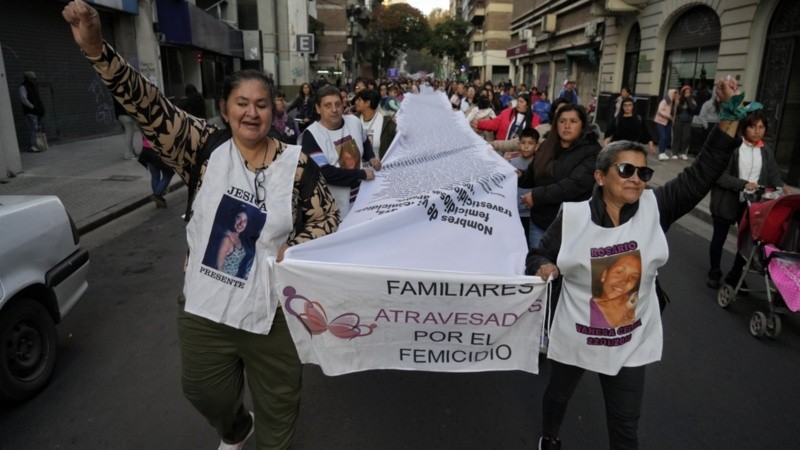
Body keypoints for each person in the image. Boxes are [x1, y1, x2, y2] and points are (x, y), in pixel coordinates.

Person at [62, 2, 339, 449]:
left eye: (262, 105)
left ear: (274, 111)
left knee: (279, 407)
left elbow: (328, 218)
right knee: (203, 392)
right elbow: (147, 103)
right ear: (225, 109)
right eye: (242, 103)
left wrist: (301, 244)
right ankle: (234, 428)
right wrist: (97, 49)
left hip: (271, 315)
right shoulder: (201, 148)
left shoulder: (298, 165)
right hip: (206, 307)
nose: (252, 113)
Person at [527, 77, 744, 450]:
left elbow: (702, 173)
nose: (637, 179)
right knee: (557, 398)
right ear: (601, 176)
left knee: (626, 426)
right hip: (576, 333)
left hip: (628, 340)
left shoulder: (655, 208)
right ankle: (550, 436)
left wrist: (728, 117)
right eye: (626, 170)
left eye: (643, 173)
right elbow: (539, 253)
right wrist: (543, 266)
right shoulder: (574, 216)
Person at [706, 110, 789, 289]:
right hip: (727, 200)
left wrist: (781, 187)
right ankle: (714, 271)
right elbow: (720, 175)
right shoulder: (733, 147)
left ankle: (735, 275)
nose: (757, 131)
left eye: (761, 127)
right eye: (752, 126)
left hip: (753, 203)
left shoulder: (765, 150)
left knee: (749, 241)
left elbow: (773, 175)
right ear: (744, 128)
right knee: (719, 238)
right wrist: (743, 184)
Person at [518, 103, 600, 248]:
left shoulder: (593, 152)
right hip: (539, 223)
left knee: (563, 270)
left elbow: (574, 185)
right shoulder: (546, 146)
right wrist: (519, 175)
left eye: (573, 121)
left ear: (582, 125)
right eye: (562, 121)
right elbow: (533, 176)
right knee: (537, 267)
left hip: (570, 229)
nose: (567, 126)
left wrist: (536, 196)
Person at [300, 84, 381, 217]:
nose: (334, 110)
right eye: (328, 105)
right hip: (334, 209)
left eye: (338, 104)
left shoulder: (354, 122)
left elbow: (365, 142)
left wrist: (371, 157)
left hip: (362, 199)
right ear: (318, 109)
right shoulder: (311, 135)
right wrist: (361, 174)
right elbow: (324, 173)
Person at [474, 93, 539, 156]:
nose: (518, 103)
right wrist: (479, 123)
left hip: (518, 153)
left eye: (521, 102)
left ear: (527, 105)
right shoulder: (507, 112)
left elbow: (534, 137)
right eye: (518, 101)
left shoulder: (534, 119)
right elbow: (494, 123)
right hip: (501, 148)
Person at [506, 128, 539, 247]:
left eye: (530, 143)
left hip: (530, 215)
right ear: (519, 144)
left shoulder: (539, 164)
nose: (526, 146)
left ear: (536, 146)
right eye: (523, 143)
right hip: (514, 212)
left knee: (527, 243)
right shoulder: (511, 162)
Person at [590, 254, 641, 327]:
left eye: (633, 277)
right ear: (604, 275)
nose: (624, 281)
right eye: (619, 272)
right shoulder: (585, 309)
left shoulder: (639, 300)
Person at [352, 89, 397, 160]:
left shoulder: (386, 122)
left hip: (380, 167)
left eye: (359, 100)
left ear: (368, 103)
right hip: (359, 169)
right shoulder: (353, 120)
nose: (356, 102)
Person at [137, 136, 174, 208]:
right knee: (168, 174)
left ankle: (158, 201)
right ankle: (157, 195)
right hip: (158, 152)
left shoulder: (143, 125)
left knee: (155, 176)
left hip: (146, 151)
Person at [19, 71, 46, 153]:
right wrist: (32, 107)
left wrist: (41, 109)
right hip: (31, 112)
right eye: (33, 79)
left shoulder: (33, 86)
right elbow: (23, 99)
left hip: (37, 111)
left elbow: (37, 99)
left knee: (38, 129)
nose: (35, 80)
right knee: (33, 129)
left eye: (35, 79)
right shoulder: (23, 87)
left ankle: (38, 144)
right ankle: (31, 146)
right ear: (28, 79)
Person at [672, 85, 697, 160]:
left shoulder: (692, 100)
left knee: (686, 136)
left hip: (687, 121)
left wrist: (688, 99)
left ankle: (683, 153)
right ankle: (675, 153)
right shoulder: (679, 99)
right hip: (678, 120)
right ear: (683, 92)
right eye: (686, 92)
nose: (687, 93)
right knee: (677, 137)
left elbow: (693, 109)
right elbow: (675, 110)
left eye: (689, 92)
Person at [654, 88, 679, 161]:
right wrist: (669, 116)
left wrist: (677, 100)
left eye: (676, 93)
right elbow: (660, 110)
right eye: (675, 93)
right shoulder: (665, 101)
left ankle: (663, 152)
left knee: (667, 137)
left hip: (669, 122)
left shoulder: (674, 102)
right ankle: (661, 153)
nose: (676, 95)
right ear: (671, 94)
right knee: (663, 136)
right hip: (660, 121)